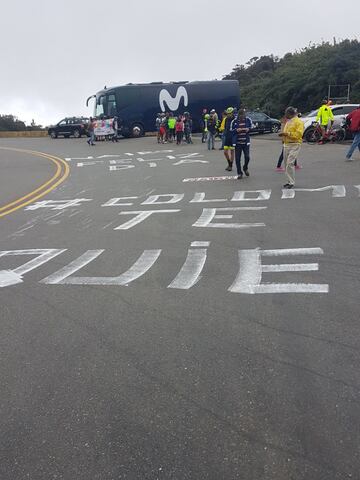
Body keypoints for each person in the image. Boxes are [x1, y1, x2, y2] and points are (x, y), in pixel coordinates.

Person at [278, 107, 304, 189]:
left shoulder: (298, 122)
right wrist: (283, 137)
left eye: (287, 114)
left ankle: (291, 182)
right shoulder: (288, 121)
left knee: (290, 163)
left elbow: (299, 134)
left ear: (290, 114)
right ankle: (289, 181)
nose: (286, 116)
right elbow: (285, 131)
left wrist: (287, 134)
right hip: (286, 144)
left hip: (295, 144)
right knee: (286, 164)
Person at [231, 109, 252, 179]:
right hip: (237, 143)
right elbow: (230, 130)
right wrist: (236, 130)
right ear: (239, 115)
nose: (243, 117)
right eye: (241, 115)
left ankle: (245, 167)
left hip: (246, 142)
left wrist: (248, 129)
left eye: (244, 115)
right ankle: (239, 173)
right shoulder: (234, 121)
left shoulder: (248, 120)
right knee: (237, 159)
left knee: (247, 157)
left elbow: (252, 127)